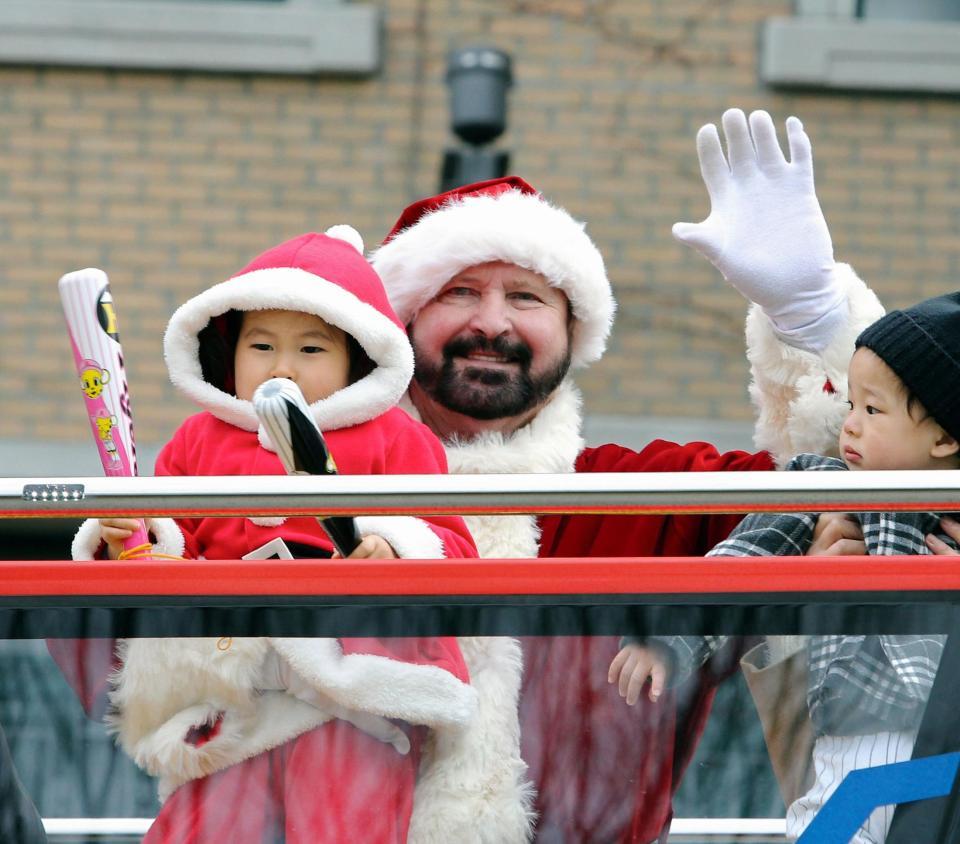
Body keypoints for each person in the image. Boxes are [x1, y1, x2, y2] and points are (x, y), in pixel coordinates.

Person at [369, 108, 889, 842]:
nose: (493, 323)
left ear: (572, 331)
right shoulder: (321, 490)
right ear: (402, 318)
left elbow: (854, 482)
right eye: (458, 292)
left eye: (526, 297)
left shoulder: (640, 495)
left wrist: (811, 318)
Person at [66, 228, 530, 843]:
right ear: (226, 351)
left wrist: (393, 545)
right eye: (261, 344)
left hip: (352, 696)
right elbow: (166, 548)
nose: (281, 366)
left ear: (358, 359)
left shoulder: (396, 437)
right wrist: (130, 536)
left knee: (343, 827)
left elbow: (452, 545)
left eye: (311, 350)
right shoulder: (196, 441)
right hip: (232, 696)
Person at [614, 290, 960, 843]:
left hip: (946, 733)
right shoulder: (824, 486)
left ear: (944, 437)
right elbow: (739, 566)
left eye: (872, 411)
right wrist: (667, 635)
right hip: (855, 732)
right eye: (849, 405)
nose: (849, 425)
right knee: (828, 829)